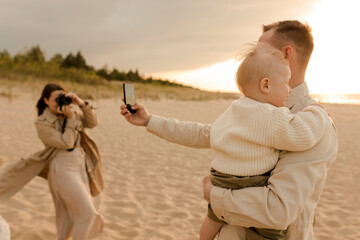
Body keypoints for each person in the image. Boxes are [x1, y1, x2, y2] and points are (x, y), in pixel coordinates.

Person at [120, 42, 331, 239]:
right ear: (265, 85)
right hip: (248, 184)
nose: (289, 89)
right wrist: (318, 113)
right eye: (285, 83)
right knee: (271, 233)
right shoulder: (272, 117)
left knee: (211, 221)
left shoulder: (233, 110)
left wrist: (149, 120)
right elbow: (302, 135)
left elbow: (198, 133)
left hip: (219, 179)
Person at [201, 20, 338, 240]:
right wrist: (149, 121)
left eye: (260, 49)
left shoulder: (312, 123)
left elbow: (277, 211)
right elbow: (210, 132)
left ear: (286, 55)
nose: (253, 56)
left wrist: (214, 195)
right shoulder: (253, 107)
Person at [0, 83, 104, 240]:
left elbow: (93, 123)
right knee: (87, 212)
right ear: (46, 100)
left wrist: (81, 103)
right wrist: (71, 119)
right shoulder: (42, 122)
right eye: (57, 99)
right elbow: (66, 143)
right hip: (61, 168)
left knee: (68, 215)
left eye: (63, 97)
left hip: (81, 165)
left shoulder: (72, 112)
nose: (60, 102)